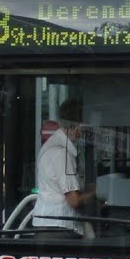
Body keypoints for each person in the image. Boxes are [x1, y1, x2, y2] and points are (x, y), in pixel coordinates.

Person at [32, 98, 99, 236]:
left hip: (49, 225)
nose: (85, 132)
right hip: (58, 228)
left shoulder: (53, 146)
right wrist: (99, 192)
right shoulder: (61, 153)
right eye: (85, 126)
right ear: (74, 126)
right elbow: (74, 200)